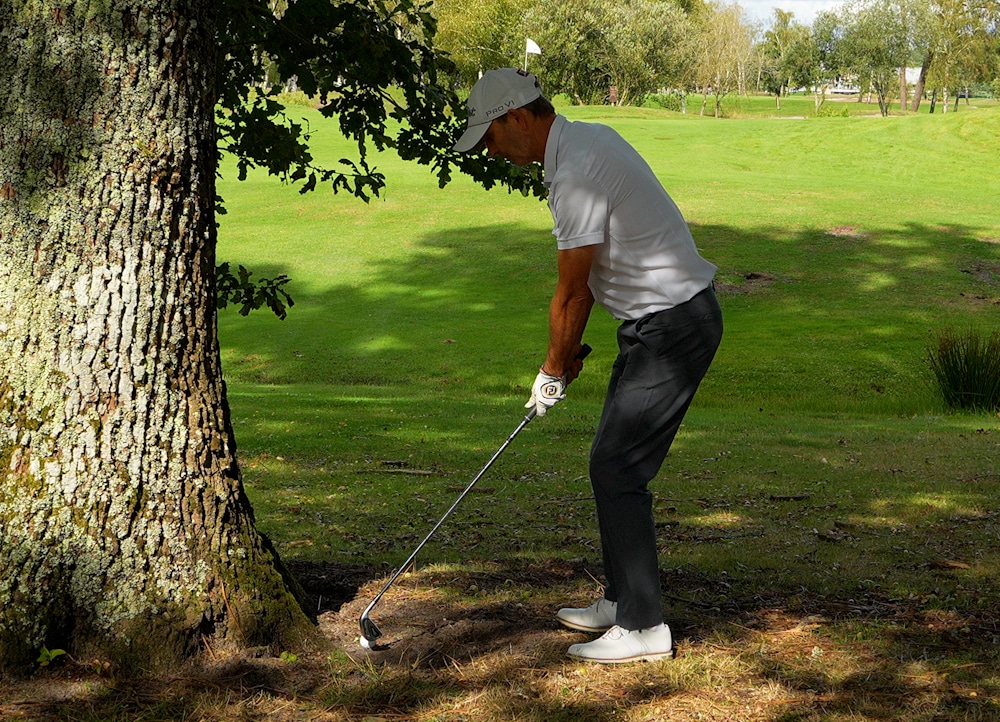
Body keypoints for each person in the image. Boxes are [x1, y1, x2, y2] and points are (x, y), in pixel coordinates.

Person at [453, 68, 723, 663]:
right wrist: (566, 354)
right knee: (610, 459)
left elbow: (573, 292)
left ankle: (644, 627)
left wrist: (551, 368)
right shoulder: (584, 142)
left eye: (491, 136)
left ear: (518, 117)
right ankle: (624, 598)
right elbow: (598, 275)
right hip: (658, 325)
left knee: (617, 467)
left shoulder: (574, 172)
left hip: (672, 326)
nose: (491, 151)